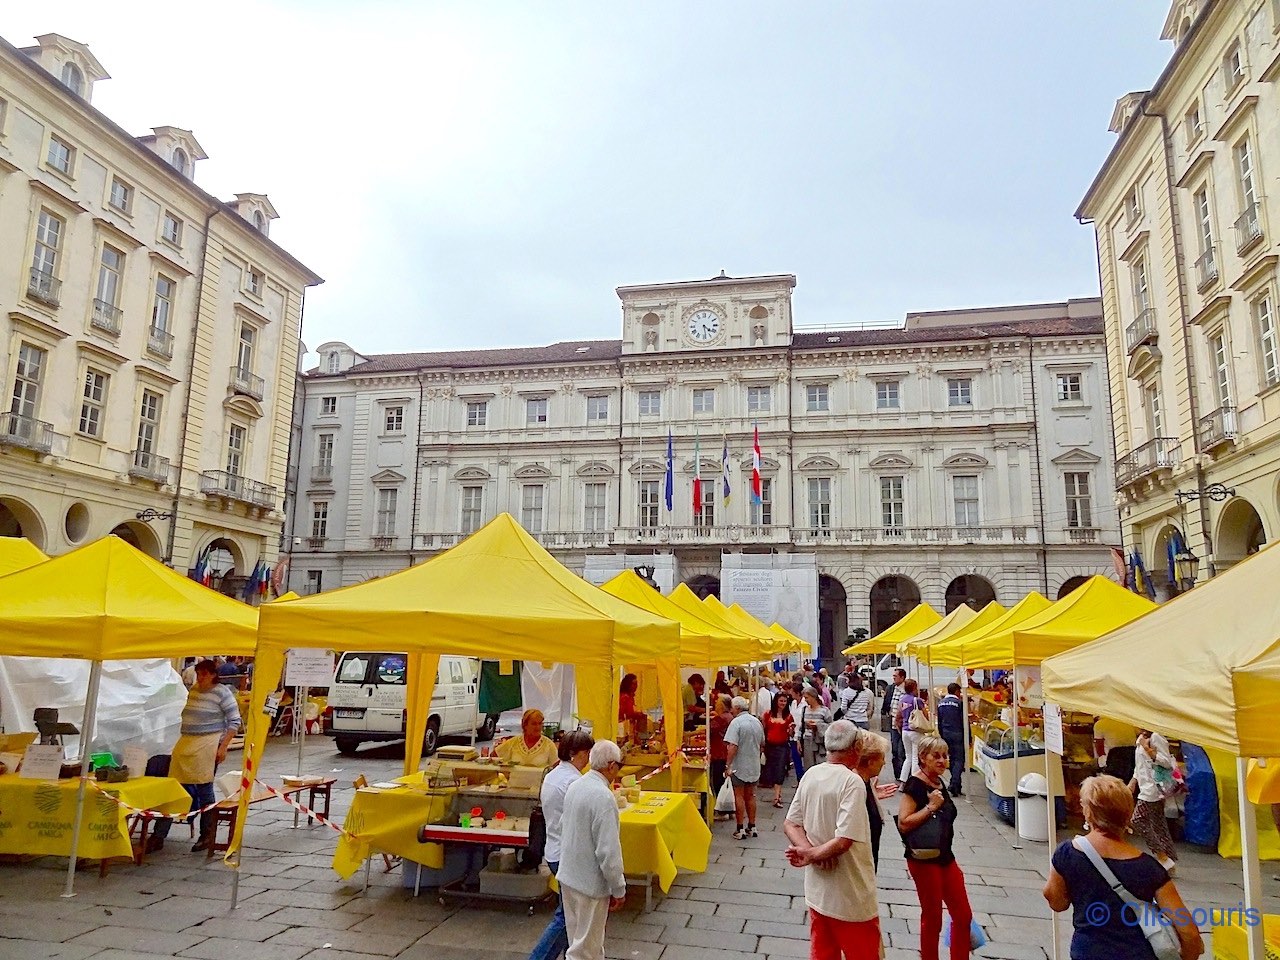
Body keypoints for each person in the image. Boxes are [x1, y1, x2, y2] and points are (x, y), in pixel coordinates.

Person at [1043, 775, 1203, 960]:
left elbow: (1056, 902)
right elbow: (1189, 932)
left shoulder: (1067, 853)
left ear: (1088, 812)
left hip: (1089, 953)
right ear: (1128, 814)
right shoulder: (1148, 867)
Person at [783, 720, 882, 958]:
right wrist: (814, 854)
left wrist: (809, 852)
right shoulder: (852, 781)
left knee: (823, 952)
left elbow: (791, 823)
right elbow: (843, 839)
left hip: (818, 891)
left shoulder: (811, 774)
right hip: (851, 893)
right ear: (857, 747)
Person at [898, 735, 974, 960]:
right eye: (936, 756)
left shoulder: (940, 782)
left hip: (945, 858)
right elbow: (904, 823)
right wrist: (931, 807)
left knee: (963, 915)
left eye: (945, 756)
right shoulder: (915, 785)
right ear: (922, 757)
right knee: (933, 918)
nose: (943, 760)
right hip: (923, 860)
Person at [156, 659, 241, 853]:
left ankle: (207, 834)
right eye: (199, 673)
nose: (200, 677)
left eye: (204, 674)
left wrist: (224, 746)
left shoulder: (222, 692)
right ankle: (159, 834)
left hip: (208, 743)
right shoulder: (194, 690)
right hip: (186, 741)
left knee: (204, 788)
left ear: (212, 675)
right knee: (173, 787)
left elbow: (234, 721)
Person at [557, 740, 627, 960]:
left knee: (584, 944)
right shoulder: (603, 797)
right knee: (585, 950)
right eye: (619, 765)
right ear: (610, 766)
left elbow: (563, 827)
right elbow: (608, 852)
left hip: (569, 876)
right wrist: (619, 888)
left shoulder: (577, 785)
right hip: (590, 883)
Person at [529, 729, 595, 960]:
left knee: (569, 915)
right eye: (587, 752)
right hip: (567, 852)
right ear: (577, 753)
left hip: (554, 848)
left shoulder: (553, 774)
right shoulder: (574, 781)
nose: (588, 758)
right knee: (567, 916)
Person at [1131, 730, 1179, 874]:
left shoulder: (1156, 737)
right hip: (1146, 786)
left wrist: (1147, 749)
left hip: (1153, 788)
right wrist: (1133, 782)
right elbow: (1140, 765)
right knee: (1158, 824)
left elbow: (1166, 762)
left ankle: (1163, 857)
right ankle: (1169, 860)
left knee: (1137, 820)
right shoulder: (1142, 737)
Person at [724, 696, 765, 840]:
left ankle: (740, 828)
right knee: (751, 795)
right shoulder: (757, 722)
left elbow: (732, 746)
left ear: (737, 708)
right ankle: (752, 826)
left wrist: (728, 764)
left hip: (739, 765)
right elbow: (762, 744)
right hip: (753, 764)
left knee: (739, 796)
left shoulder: (736, 723)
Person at [855, 733, 896, 869]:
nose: (884, 762)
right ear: (871, 762)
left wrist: (873, 794)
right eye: (882, 758)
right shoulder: (856, 786)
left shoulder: (866, 784)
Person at [760, 691, 794, 809]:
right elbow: (763, 729)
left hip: (782, 746)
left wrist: (791, 731)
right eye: (781, 701)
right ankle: (774, 792)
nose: (783, 703)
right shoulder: (767, 714)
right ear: (776, 701)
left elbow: (791, 733)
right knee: (770, 769)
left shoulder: (789, 716)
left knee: (780, 769)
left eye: (785, 701)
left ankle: (777, 796)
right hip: (769, 745)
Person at [937, 683, 965, 796]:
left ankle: (956, 785)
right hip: (958, 733)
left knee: (951, 758)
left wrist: (941, 734)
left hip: (946, 733)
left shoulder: (940, 703)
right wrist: (968, 736)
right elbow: (964, 721)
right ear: (957, 691)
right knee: (959, 760)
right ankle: (954, 783)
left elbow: (939, 721)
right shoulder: (959, 703)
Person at [897, 679, 926, 785]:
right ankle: (914, 781)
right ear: (914, 688)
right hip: (915, 730)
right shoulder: (917, 700)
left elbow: (899, 714)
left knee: (908, 757)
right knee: (915, 757)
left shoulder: (902, 699)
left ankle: (903, 781)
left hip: (905, 730)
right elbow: (925, 714)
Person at [800, 685, 832, 771]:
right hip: (807, 741)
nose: (805, 700)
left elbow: (830, 726)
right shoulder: (804, 710)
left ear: (813, 696)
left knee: (821, 766)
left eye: (807, 698)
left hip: (819, 742)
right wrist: (799, 741)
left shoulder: (824, 710)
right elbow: (801, 727)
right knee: (809, 767)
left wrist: (818, 726)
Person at [882, 668, 907, 778]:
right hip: (893, 723)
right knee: (895, 750)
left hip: (903, 725)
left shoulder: (906, 689)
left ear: (902, 678)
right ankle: (897, 773)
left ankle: (903, 773)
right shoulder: (891, 688)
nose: (893, 678)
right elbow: (887, 702)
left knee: (902, 750)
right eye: (893, 676)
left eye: (895, 676)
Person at [708, 694, 732, 806]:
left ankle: (721, 807)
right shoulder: (729, 716)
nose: (715, 704)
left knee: (717, 781)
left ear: (722, 705)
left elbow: (709, 730)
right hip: (726, 751)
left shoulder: (720, 719)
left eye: (717, 702)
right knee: (723, 780)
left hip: (719, 752)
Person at [790, 681, 809, 781]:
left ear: (797, 693)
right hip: (793, 734)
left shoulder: (805, 704)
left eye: (792, 692)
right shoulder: (793, 703)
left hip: (802, 734)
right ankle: (799, 779)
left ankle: (805, 779)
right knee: (796, 758)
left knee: (805, 758)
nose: (790, 693)